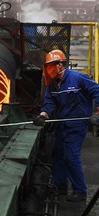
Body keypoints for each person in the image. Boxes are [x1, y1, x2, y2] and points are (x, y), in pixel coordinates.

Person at [33, 49, 99, 202]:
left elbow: (97, 90)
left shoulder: (77, 78)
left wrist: (97, 112)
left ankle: (80, 191)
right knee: (57, 155)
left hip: (77, 125)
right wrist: (43, 116)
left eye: (51, 66)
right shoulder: (53, 85)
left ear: (60, 65)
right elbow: (49, 104)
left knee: (71, 157)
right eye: (47, 67)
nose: (49, 70)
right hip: (62, 124)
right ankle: (60, 186)